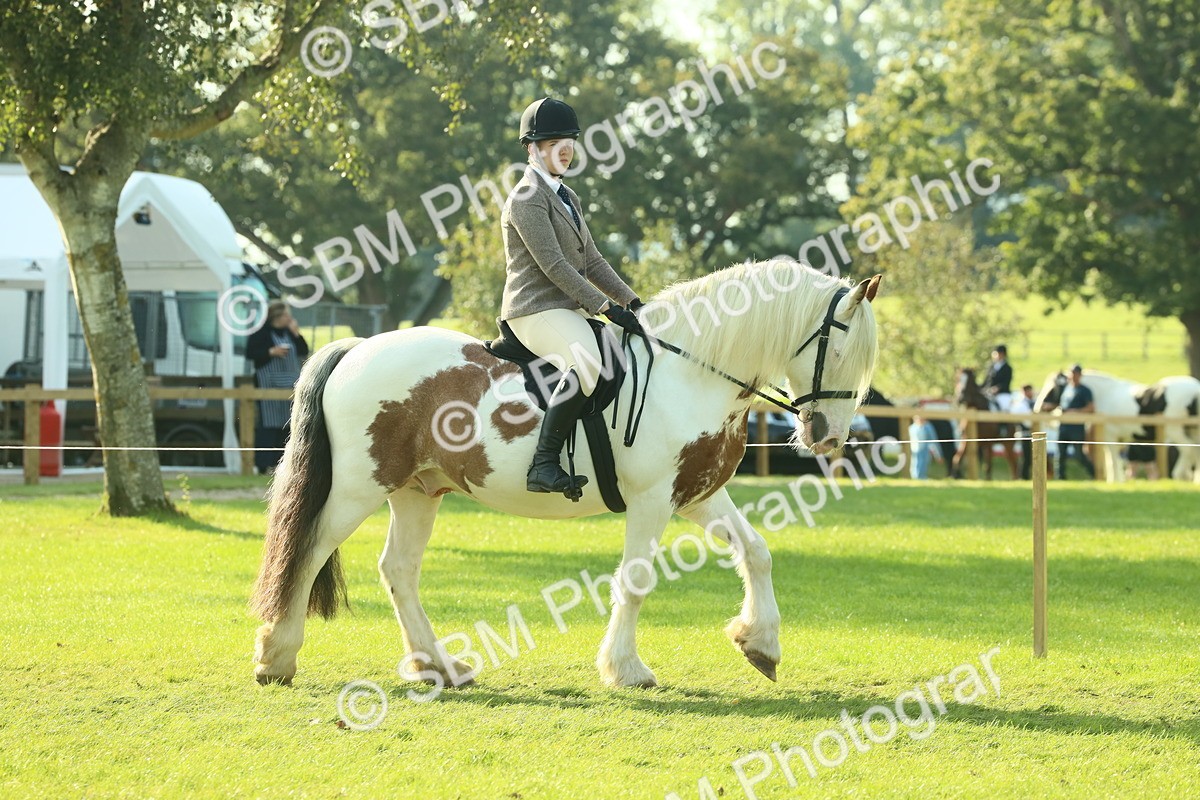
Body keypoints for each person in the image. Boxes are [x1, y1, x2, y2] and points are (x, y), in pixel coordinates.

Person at [499, 97, 645, 499]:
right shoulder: (527, 198)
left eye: (570, 140)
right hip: (533, 309)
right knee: (587, 362)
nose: (565, 148)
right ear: (532, 147)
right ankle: (543, 464)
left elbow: (592, 261)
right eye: (553, 141)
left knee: (620, 358)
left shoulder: (568, 197)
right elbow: (555, 267)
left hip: (564, 310)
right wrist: (606, 308)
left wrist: (633, 303)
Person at [245, 301, 309, 474]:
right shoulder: (261, 333)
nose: (290, 318)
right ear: (277, 317)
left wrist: (297, 334)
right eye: (286, 315)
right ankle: (263, 464)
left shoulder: (290, 332)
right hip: (268, 384)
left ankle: (285, 464)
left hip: (290, 384)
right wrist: (271, 352)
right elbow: (251, 353)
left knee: (288, 425)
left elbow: (304, 350)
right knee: (269, 425)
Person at [1056, 364, 1095, 480]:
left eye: (1076, 373)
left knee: (1079, 455)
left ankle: (1094, 474)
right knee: (1060, 454)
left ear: (1080, 375)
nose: (1073, 376)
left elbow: (1091, 408)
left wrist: (1075, 411)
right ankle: (1060, 478)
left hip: (1076, 427)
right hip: (1063, 426)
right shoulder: (1066, 388)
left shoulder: (1085, 390)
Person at [1010, 383, 1036, 479]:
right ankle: (1023, 476)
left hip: (1031, 432)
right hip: (1023, 433)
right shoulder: (1020, 404)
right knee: (1025, 456)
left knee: (1029, 456)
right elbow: (1026, 421)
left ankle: (1026, 476)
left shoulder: (1032, 402)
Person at [908, 414, 943, 479]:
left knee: (924, 463)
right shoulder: (911, 428)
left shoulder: (928, 427)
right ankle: (915, 477)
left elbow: (934, 441)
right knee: (915, 463)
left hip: (925, 450)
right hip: (914, 449)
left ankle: (922, 477)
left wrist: (938, 455)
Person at [980, 344, 1013, 413]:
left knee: (1005, 407)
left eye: (996, 353)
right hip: (988, 393)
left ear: (1002, 354)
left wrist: (997, 388)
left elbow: (1006, 382)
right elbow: (985, 381)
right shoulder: (991, 367)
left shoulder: (1008, 368)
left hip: (1002, 394)